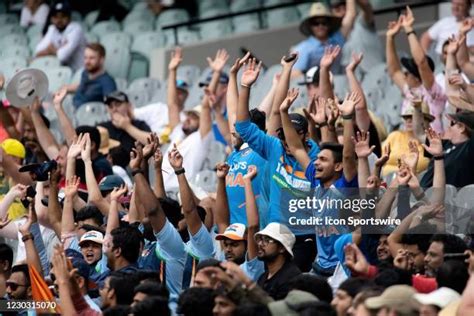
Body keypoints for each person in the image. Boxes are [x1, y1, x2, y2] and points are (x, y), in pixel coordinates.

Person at [386, 8, 447, 134]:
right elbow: (393, 71)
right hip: (410, 147)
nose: (404, 74)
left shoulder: (432, 92)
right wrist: (390, 37)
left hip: (430, 147)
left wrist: (408, 29)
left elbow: (421, 62)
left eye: (408, 72)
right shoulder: (409, 90)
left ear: (418, 77)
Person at [293, 1, 357, 76]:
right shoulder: (303, 48)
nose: (320, 26)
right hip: (317, 86)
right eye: (316, 23)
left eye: (324, 23)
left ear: (329, 24)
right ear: (310, 26)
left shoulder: (338, 38)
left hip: (340, 83)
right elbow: (295, 74)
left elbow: (351, 15)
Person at [420, 110, 474, 187]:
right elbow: (419, 133)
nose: (448, 126)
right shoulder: (445, 144)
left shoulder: (468, 148)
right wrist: (416, 107)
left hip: (450, 197)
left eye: (452, 123)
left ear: (462, 127)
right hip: (424, 195)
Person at [34, 0, 87, 71]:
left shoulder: (75, 29)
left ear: (69, 18)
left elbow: (63, 56)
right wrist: (58, 51)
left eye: (63, 16)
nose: (59, 20)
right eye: (55, 17)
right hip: (64, 71)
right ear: (51, 19)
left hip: (80, 71)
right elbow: (38, 50)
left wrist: (52, 50)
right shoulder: (52, 29)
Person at [62, 43, 117, 109]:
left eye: (92, 58)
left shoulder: (108, 82)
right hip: (71, 108)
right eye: (85, 58)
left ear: (101, 60)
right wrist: (64, 89)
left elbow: (111, 107)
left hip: (87, 115)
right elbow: (81, 87)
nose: (87, 62)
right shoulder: (85, 73)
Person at [255, 222, 301, 300]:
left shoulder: (292, 278)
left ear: (282, 248)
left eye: (267, 240)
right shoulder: (263, 277)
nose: (260, 244)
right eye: (260, 239)